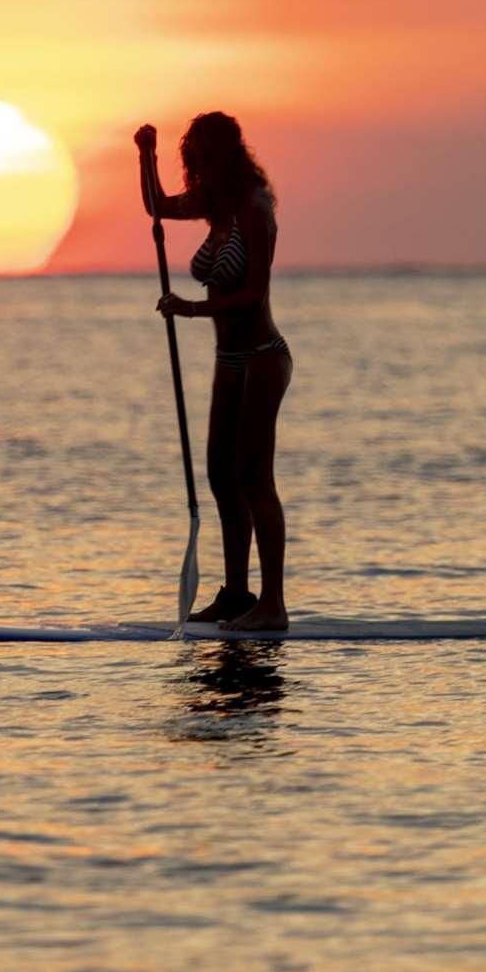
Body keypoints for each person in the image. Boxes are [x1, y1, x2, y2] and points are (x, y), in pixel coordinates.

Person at [138, 111, 293, 632]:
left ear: (225, 156)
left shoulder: (254, 209)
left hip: (263, 358)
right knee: (221, 477)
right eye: (191, 158)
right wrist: (146, 155)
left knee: (254, 479)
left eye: (203, 157)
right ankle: (236, 595)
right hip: (228, 361)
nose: (197, 168)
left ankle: (273, 605)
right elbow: (157, 206)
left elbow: (253, 294)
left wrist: (190, 309)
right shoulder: (214, 204)